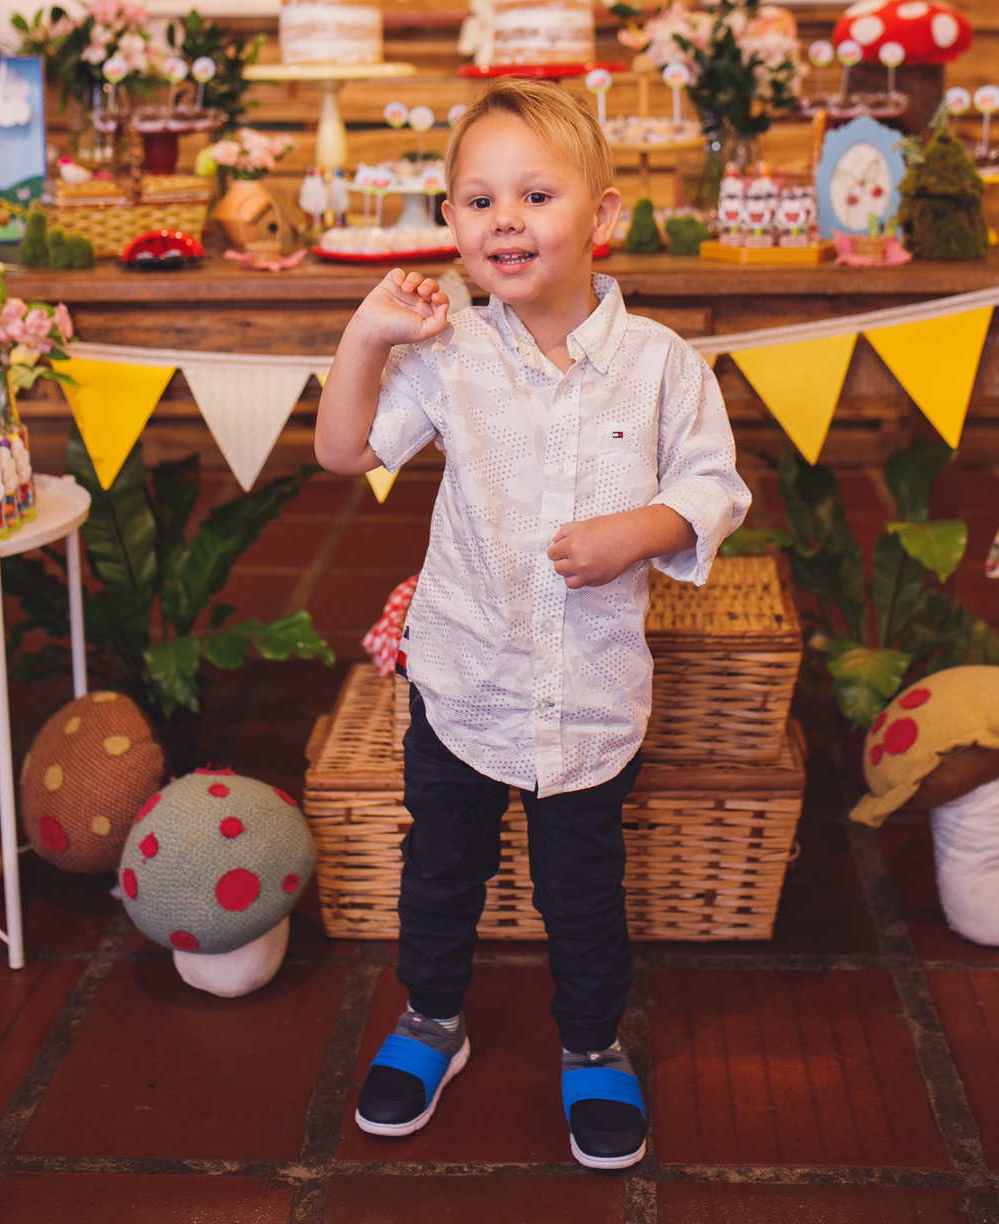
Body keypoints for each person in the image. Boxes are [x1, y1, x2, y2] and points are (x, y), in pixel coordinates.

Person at [314, 79, 749, 1169]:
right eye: (477, 200)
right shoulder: (447, 352)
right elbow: (342, 453)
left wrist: (641, 528)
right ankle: (431, 1018)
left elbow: (714, 488)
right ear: (454, 228)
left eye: (536, 193)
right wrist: (366, 341)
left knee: (582, 889)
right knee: (442, 867)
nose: (504, 218)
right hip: (462, 677)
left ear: (600, 218)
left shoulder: (661, 367)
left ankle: (594, 1042)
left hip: (591, 694)